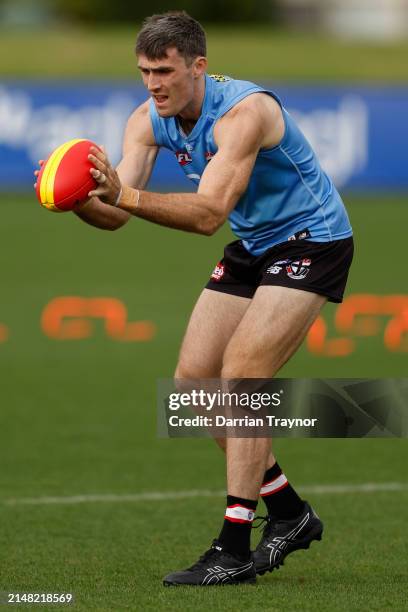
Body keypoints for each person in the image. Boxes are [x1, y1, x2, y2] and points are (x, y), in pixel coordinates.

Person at [34, 11, 353, 586]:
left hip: (313, 239)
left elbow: (207, 216)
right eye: (144, 72)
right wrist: (78, 197)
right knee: (192, 387)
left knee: (243, 376)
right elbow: (115, 214)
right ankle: (288, 511)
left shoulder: (244, 113)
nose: (153, 83)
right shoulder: (146, 119)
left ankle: (234, 547)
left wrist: (123, 192)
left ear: (197, 66)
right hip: (256, 244)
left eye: (164, 70)